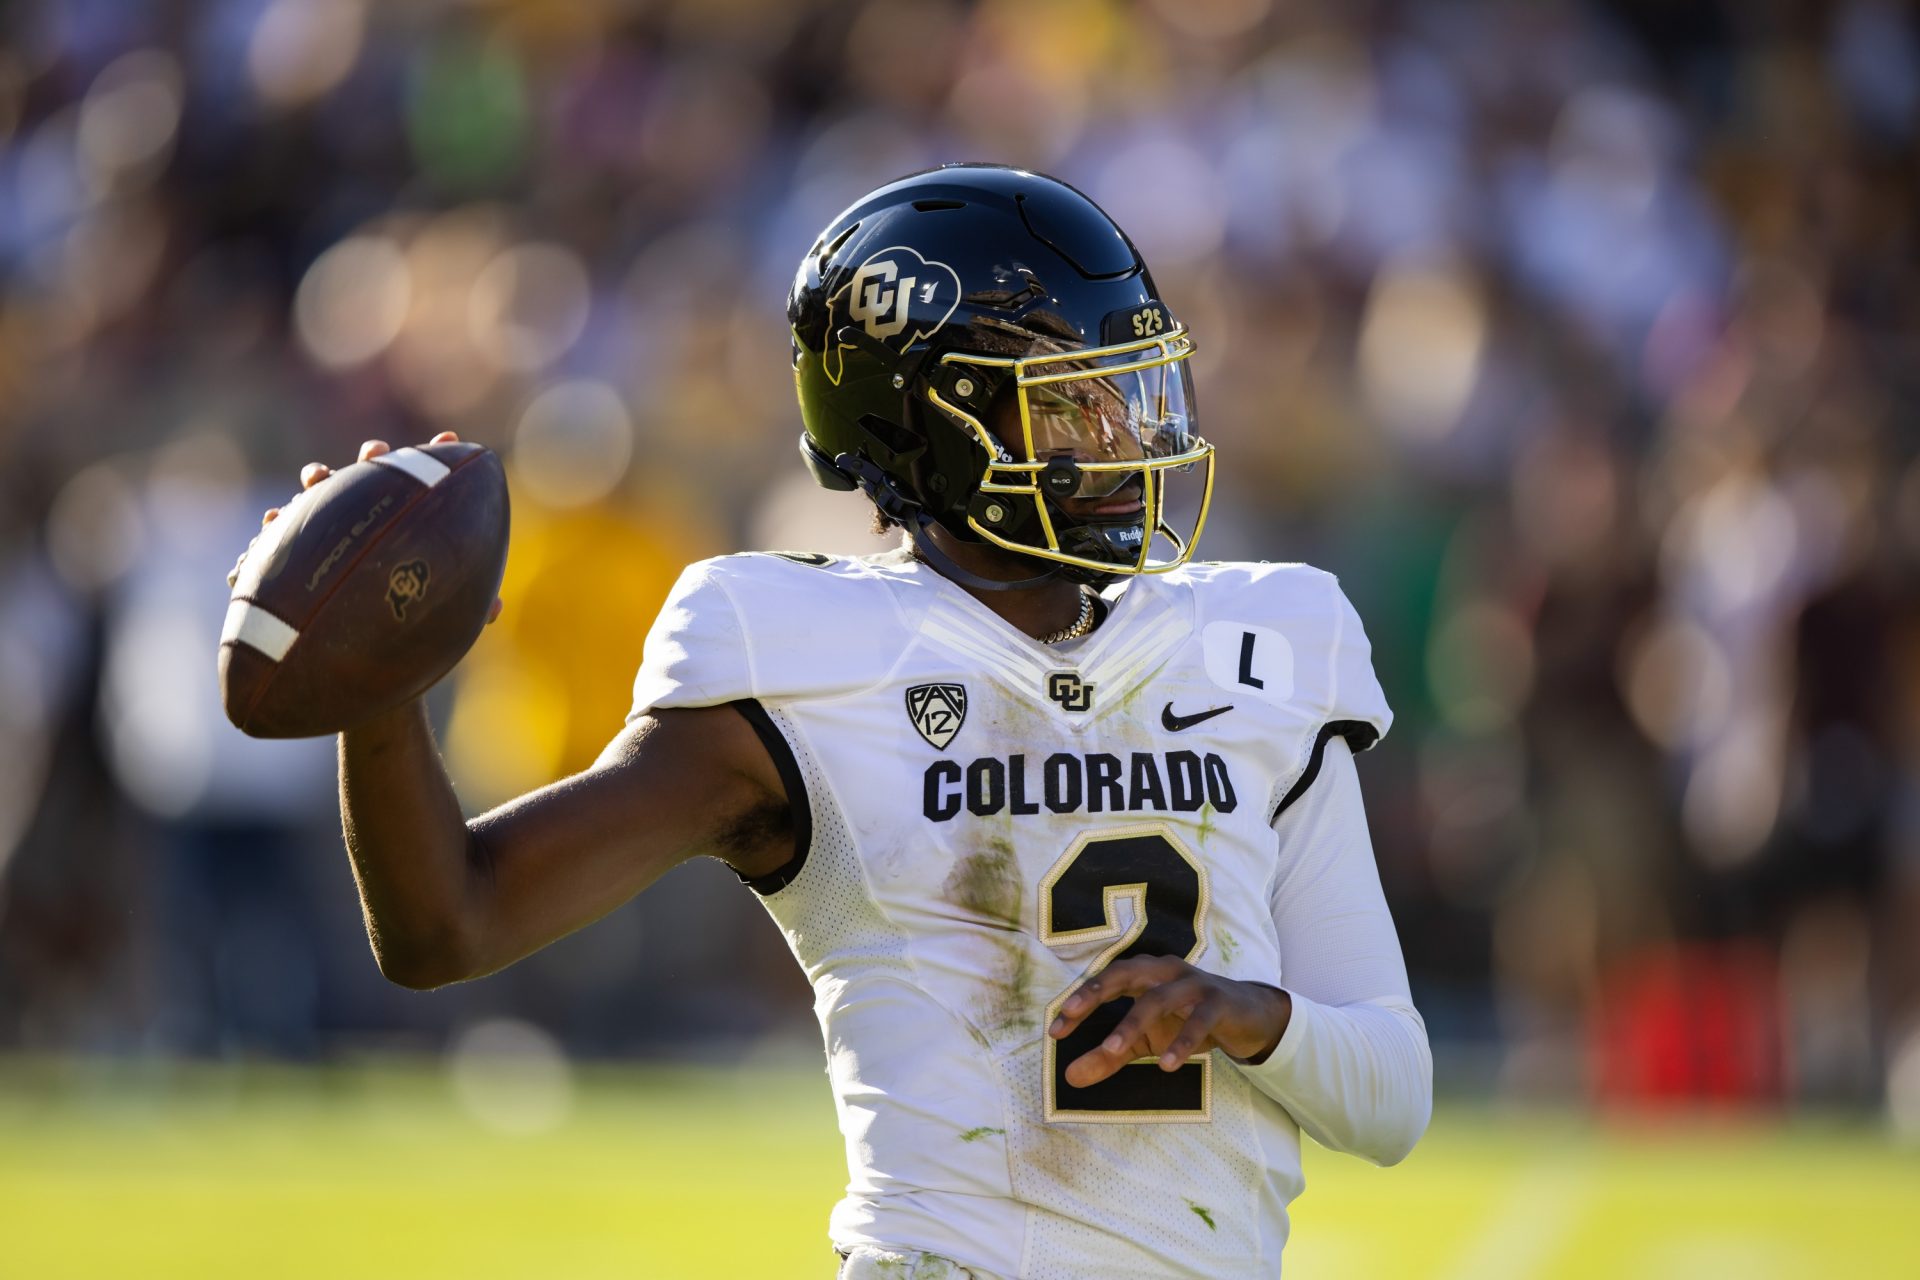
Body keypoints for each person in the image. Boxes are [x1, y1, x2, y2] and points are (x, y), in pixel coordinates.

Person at [258, 165, 1431, 1278]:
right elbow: (446, 926)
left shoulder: (1267, 636)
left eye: (1129, 390)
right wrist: (386, 684)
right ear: (938, 424)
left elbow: (1391, 1092)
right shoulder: (799, 648)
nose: (1127, 438)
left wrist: (1253, 1014)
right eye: (1071, 402)